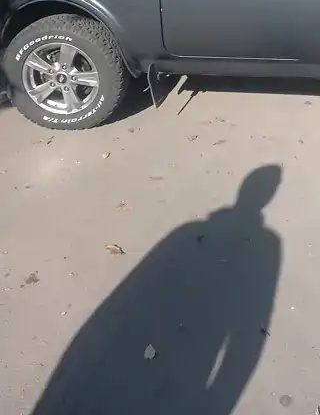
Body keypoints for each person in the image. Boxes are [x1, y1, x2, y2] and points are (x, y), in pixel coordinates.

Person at [32, 165, 282, 415]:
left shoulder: (188, 233)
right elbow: (249, 332)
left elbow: (130, 291)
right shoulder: (265, 243)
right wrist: (221, 397)